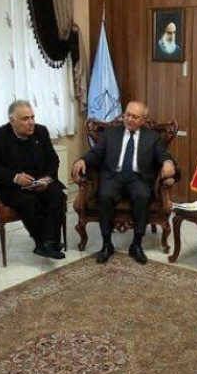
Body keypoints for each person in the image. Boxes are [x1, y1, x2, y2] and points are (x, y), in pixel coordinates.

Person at [71, 101, 175, 265]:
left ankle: (136, 244)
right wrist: (83, 160)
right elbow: (96, 153)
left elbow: (163, 155)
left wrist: (168, 163)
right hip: (114, 177)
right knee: (104, 195)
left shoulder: (152, 137)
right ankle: (107, 244)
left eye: (135, 117)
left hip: (138, 178)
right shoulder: (111, 133)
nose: (130, 119)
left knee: (143, 196)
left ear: (143, 119)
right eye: (128, 115)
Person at [0, 100, 67, 260]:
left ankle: (50, 242)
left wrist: (47, 179)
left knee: (57, 195)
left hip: (40, 182)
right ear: (12, 120)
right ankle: (42, 243)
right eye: (25, 118)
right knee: (29, 202)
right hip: (13, 187)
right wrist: (15, 178)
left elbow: (53, 160)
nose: (31, 122)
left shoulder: (41, 132)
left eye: (32, 117)